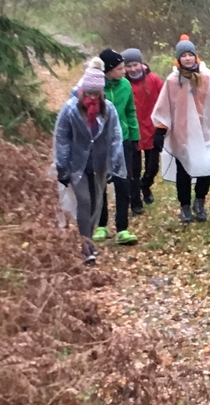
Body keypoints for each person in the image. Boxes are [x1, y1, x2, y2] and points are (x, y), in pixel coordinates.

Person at [53, 64, 126, 266]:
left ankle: (88, 236)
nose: (92, 97)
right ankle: (87, 247)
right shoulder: (70, 109)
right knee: (84, 201)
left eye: (96, 93)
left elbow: (115, 137)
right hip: (77, 165)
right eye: (89, 93)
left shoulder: (108, 109)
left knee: (96, 204)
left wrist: (114, 163)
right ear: (83, 90)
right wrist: (62, 167)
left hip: (100, 164)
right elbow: (62, 138)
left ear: (101, 92)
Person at [152, 39, 210, 223]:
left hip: (205, 131)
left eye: (190, 55)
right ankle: (185, 206)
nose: (187, 58)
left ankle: (200, 201)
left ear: (196, 56)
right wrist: (160, 131)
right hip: (182, 133)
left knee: (208, 166)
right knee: (184, 170)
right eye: (184, 55)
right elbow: (165, 106)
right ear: (178, 59)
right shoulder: (173, 81)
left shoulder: (207, 76)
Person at [98, 49, 139, 245]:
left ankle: (122, 228)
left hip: (123, 140)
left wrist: (135, 135)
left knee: (123, 183)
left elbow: (131, 111)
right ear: (108, 70)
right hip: (99, 141)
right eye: (120, 68)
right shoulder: (95, 87)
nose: (125, 71)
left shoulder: (125, 85)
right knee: (100, 182)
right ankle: (101, 225)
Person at [124, 48, 164, 208]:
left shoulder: (153, 79)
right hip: (132, 131)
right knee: (133, 169)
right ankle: (135, 201)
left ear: (141, 64)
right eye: (128, 66)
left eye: (135, 65)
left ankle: (145, 185)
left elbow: (165, 100)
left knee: (153, 167)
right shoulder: (123, 83)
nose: (133, 69)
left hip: (152, 129)